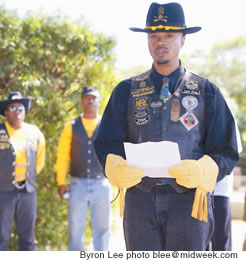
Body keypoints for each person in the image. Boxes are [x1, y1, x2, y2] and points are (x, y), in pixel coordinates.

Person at [94, 2, 239, 251]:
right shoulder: (126, 90)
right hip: (140, 200)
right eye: (154, 35)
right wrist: (113, 164)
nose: (160, 41)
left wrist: (205, 169)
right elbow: (106, 141)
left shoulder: (207, 92)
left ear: (183, 39)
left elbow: (226, 149)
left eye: (169, 35)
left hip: (190, 202)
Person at [0, 91, 45, 251]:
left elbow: (39, 161)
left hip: (28, 192)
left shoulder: (35, 133)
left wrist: (26, 179)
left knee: (28, 239)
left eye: (20, 107)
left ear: (25, 111)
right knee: (1, 238)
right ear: (6, 112)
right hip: (2, 193)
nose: (17, 111)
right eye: (12, 108)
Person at [56, 86, 112, 251]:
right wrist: (61, 181)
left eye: (94, 98)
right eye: (87, 97)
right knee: (74, 230)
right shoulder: (71, 126)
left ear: (99, 101)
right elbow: (63, 156)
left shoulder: (106, 125)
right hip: (77, 184)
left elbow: (114, 154)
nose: (90, 100)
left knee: (102, 230)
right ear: (82, 101)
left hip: (101, 183)